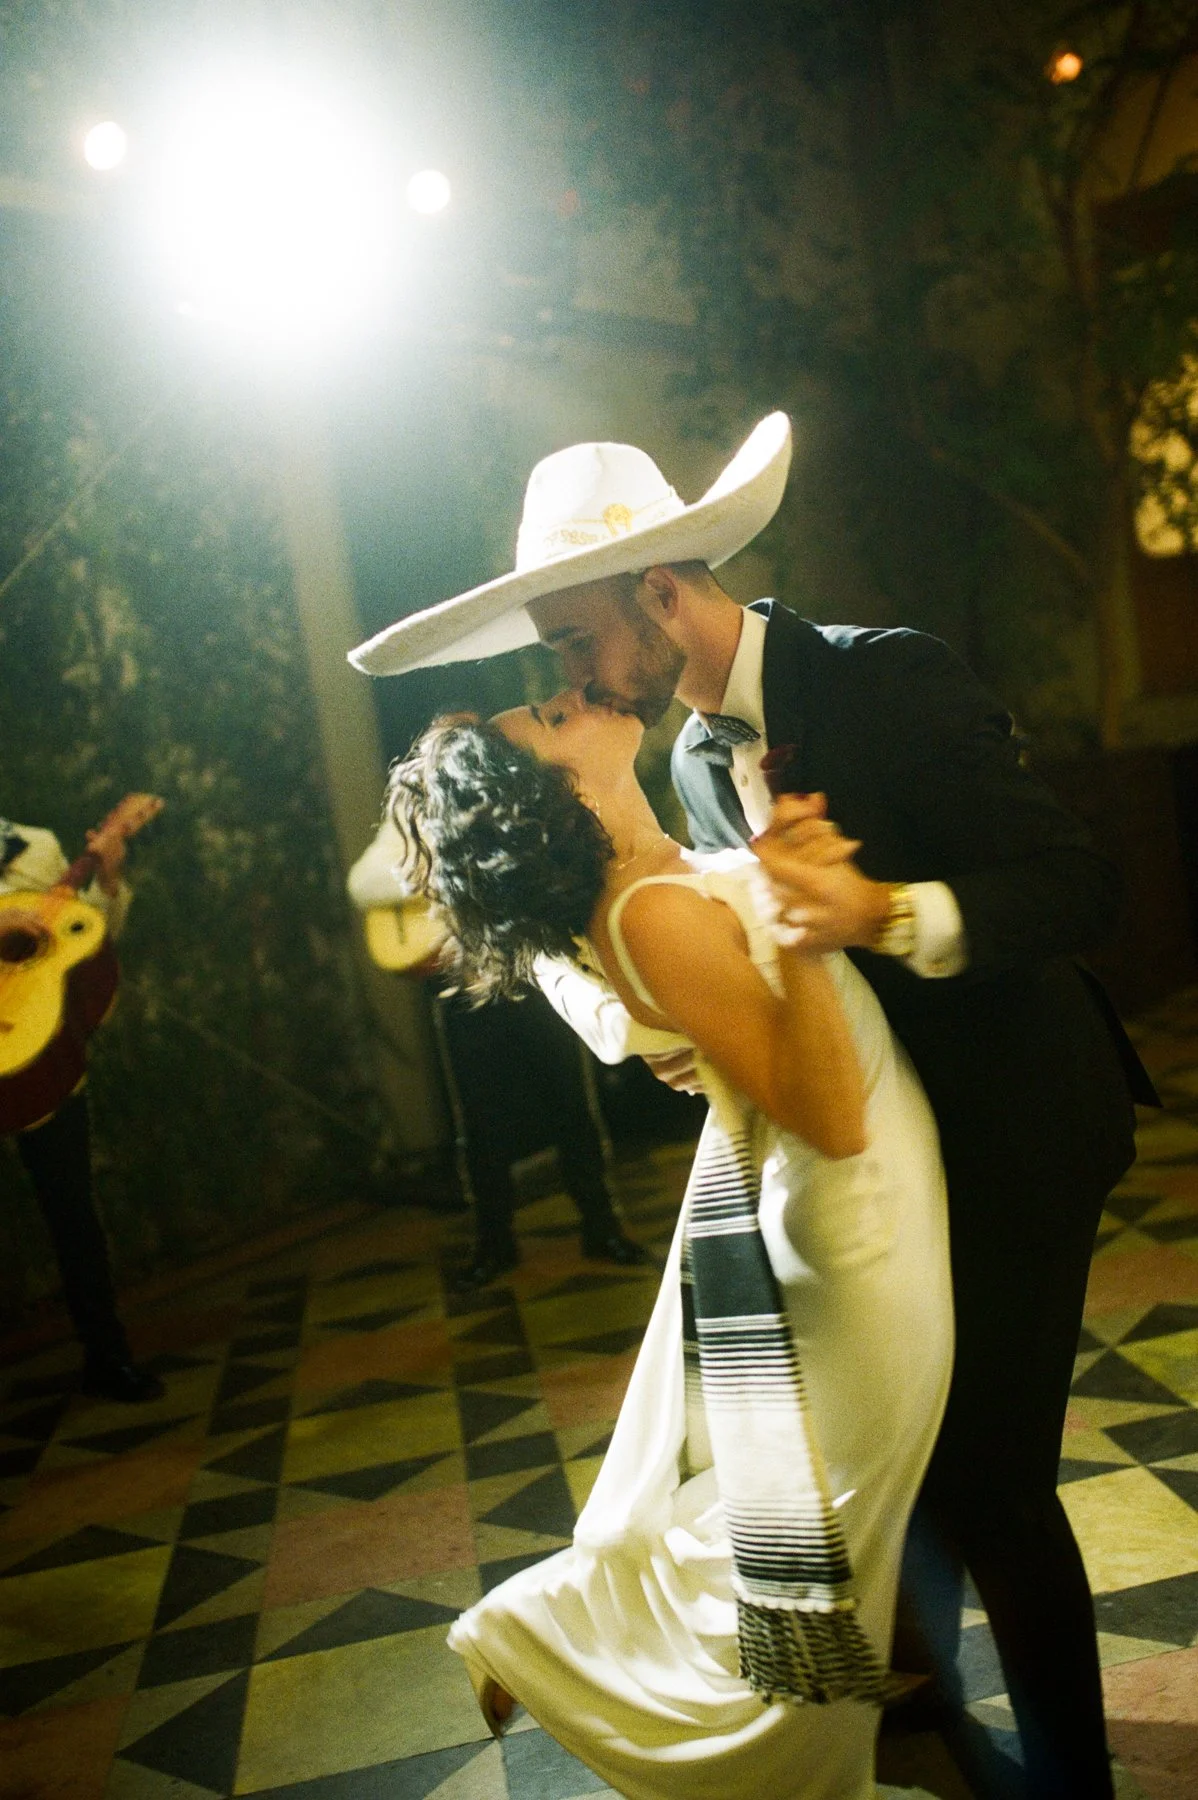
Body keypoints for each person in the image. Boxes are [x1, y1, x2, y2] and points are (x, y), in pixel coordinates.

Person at [349, 412, 1157, 1800]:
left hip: (1017, 1124)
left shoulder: (887, 680)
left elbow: (1080, 888)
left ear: (660, 591)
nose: (573, 674)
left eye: (576, 643)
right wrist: (693, 1034)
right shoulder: (677, 767)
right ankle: (917, 1700)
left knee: (991, 1477)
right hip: (878, 1161)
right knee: (914, 1456)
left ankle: (1067, 1781)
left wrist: (880, 911)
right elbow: (762, 983)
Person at [389, 699, 952, 1800]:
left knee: (816, 1505)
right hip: (856, 1206)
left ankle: (549, 1623)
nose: (577, 697)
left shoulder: (649, 879)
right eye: (554, 716)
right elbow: (832, 1117)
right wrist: (791, 914)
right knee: (831, 1512)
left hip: (851, 1191)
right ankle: (602, 1668)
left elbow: (659, 1016)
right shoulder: (645, 911)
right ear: (552, 793)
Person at [347, 813, 643, 1286]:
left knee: (573, 1106)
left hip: (538, 976)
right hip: (465, 987)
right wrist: (435, 877)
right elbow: (362, 883)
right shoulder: (418, 804)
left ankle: (601, 1226)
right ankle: (494, 1243)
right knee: (478, 1123)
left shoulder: (518, 792)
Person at [1, 816, 164, 1404]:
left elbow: (83, 939)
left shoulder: (37, 846)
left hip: (42, 1051)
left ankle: (108, 1356)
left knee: (74, 1215)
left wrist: (109, 881)